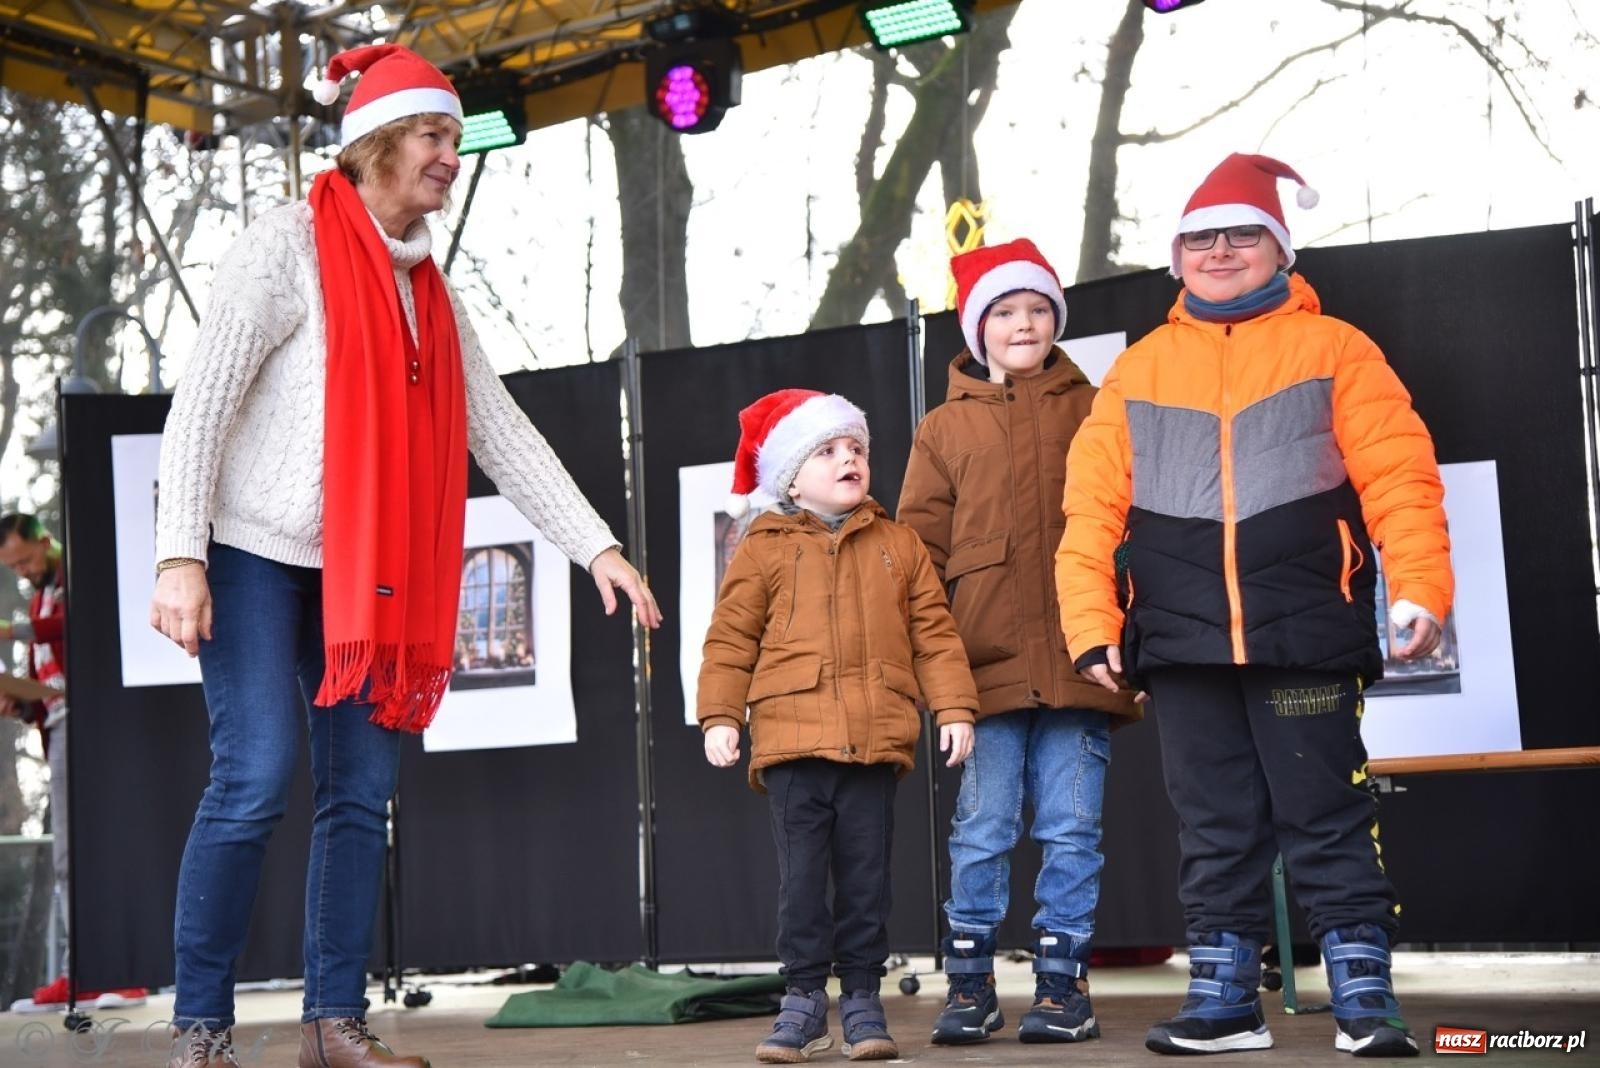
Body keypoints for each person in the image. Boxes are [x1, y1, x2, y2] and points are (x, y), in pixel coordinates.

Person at [148, 44, 660, 1068]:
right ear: (375, 143)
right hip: (252, 556)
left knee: (357, 796)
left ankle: (333, 1026)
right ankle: (201, 1025)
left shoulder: (431, 294)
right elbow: (201, 402)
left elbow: (500, 431)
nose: (450, 156)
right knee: (254, 776)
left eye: (455, 141)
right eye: (434, 136)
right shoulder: (284, 248)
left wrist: (596, 546)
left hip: (363, 575)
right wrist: (178, 556)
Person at [1057, 153, 1453, 1058]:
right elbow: (1090, 510)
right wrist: (1090, 623)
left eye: (1243, 234)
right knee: (1214, 824)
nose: (1221, 250)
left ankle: (1364, 997)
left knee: (1326, 812)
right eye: (1202, 236)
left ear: (1280, 250)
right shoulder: (1137, 371)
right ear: (1175, 256)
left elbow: (1400, 475)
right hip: (1182, 644)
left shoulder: (1338, 348)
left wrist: (1423, 586)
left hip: (1308, 633)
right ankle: (1226, 1001)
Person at [897, 239, 1140, 1046]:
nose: (1024, 323)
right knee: (982, 829)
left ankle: (1063, 987)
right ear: (977, 327)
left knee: (1072, 828)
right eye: (1004, 311)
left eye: (1038, 308)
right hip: (983, 673)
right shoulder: (943, 428)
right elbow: (918, 556)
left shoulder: (1097, 405)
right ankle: (969, 985)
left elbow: (1129, 524)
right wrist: (933, 672)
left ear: (1057, 318)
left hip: (1079, 666)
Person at [697, 389, 978, 1064]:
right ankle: (800, 1002)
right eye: (827, 450)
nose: (848, 458)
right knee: (801, 885)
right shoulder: (761, 548)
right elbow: (730, 638)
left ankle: (860, 999)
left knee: (865, 883)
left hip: (874, 745)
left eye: (856, 448)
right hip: (793, 745)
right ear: (791, 476)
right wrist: (720, 715)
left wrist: (956, 706)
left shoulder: (899, 545)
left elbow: (935, 635)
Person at [0, 513, 149, 1014]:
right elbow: (49, 676)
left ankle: (114, 969)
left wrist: (15, 630)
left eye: (25, 559)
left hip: (93, 722)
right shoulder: (41, 591)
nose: (22, 571)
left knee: (92, 847)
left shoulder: (75, 575)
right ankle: (82, 969)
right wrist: (20, 703)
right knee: (70, 854)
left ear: (45, 541)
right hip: (61, 724)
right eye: (13, 566)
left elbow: (80, 625)